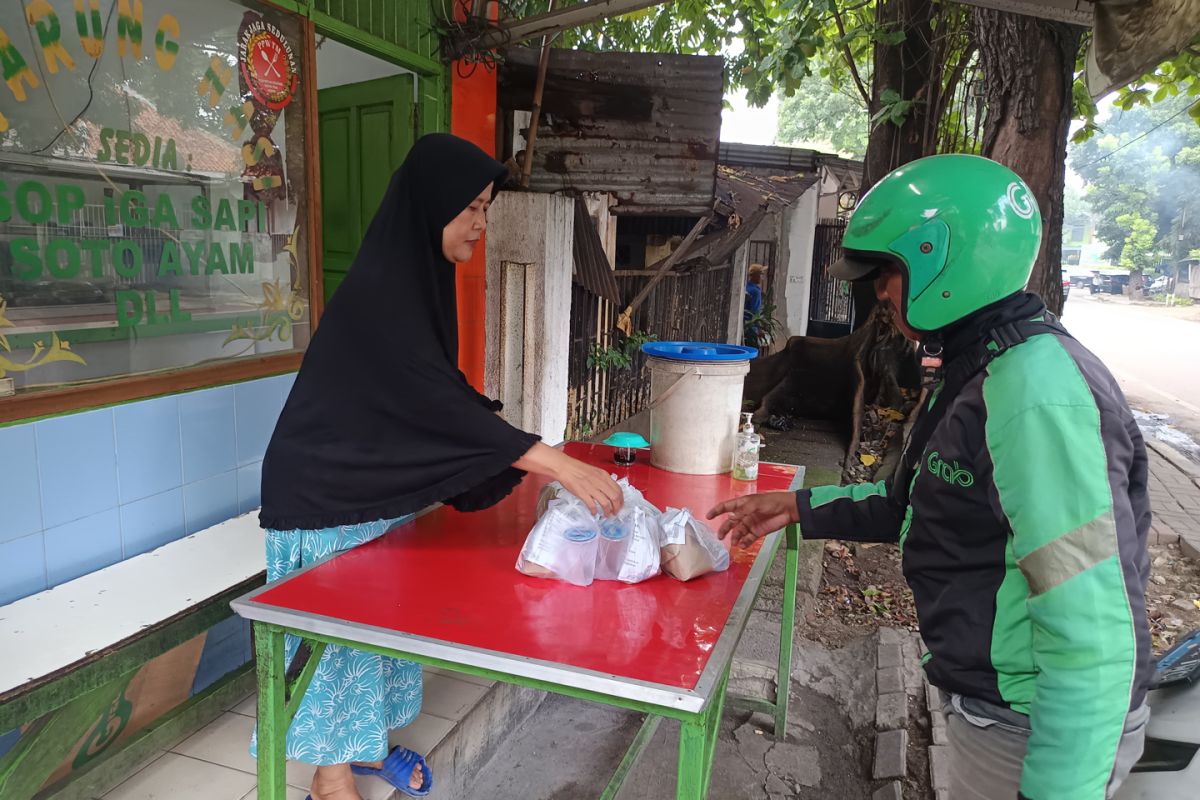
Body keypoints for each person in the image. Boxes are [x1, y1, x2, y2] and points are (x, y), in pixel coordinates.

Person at [709, 155, 1151, 800]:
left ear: (945, 257)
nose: (883, 292)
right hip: (994, 703)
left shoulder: (1036, 398)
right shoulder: (986, 366)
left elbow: (1095, 635)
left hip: (1033, 724)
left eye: (888, 272)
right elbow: (917, 500)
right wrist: (799, 506)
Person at [253, 133, 623, 800]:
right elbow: (427, 399)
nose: (481, 223)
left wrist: (509, 443)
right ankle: (330, 782)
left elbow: (436, 392)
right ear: (431, 204)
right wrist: (553, 462)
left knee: (373, 631)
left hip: (363, 489)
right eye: (471, 207)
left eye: (486, 207)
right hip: (321, 497)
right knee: (338, 649)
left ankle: (366, 748)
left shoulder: (414, 279)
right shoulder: (381, 293)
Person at [744, 263, 766, 348]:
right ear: (755, 275)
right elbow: (755, 312)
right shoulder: (756, 291)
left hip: (744, 325)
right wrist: (759, 329)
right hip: (751, 327)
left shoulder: (746, 287)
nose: (762, 277)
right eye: (761, 274)